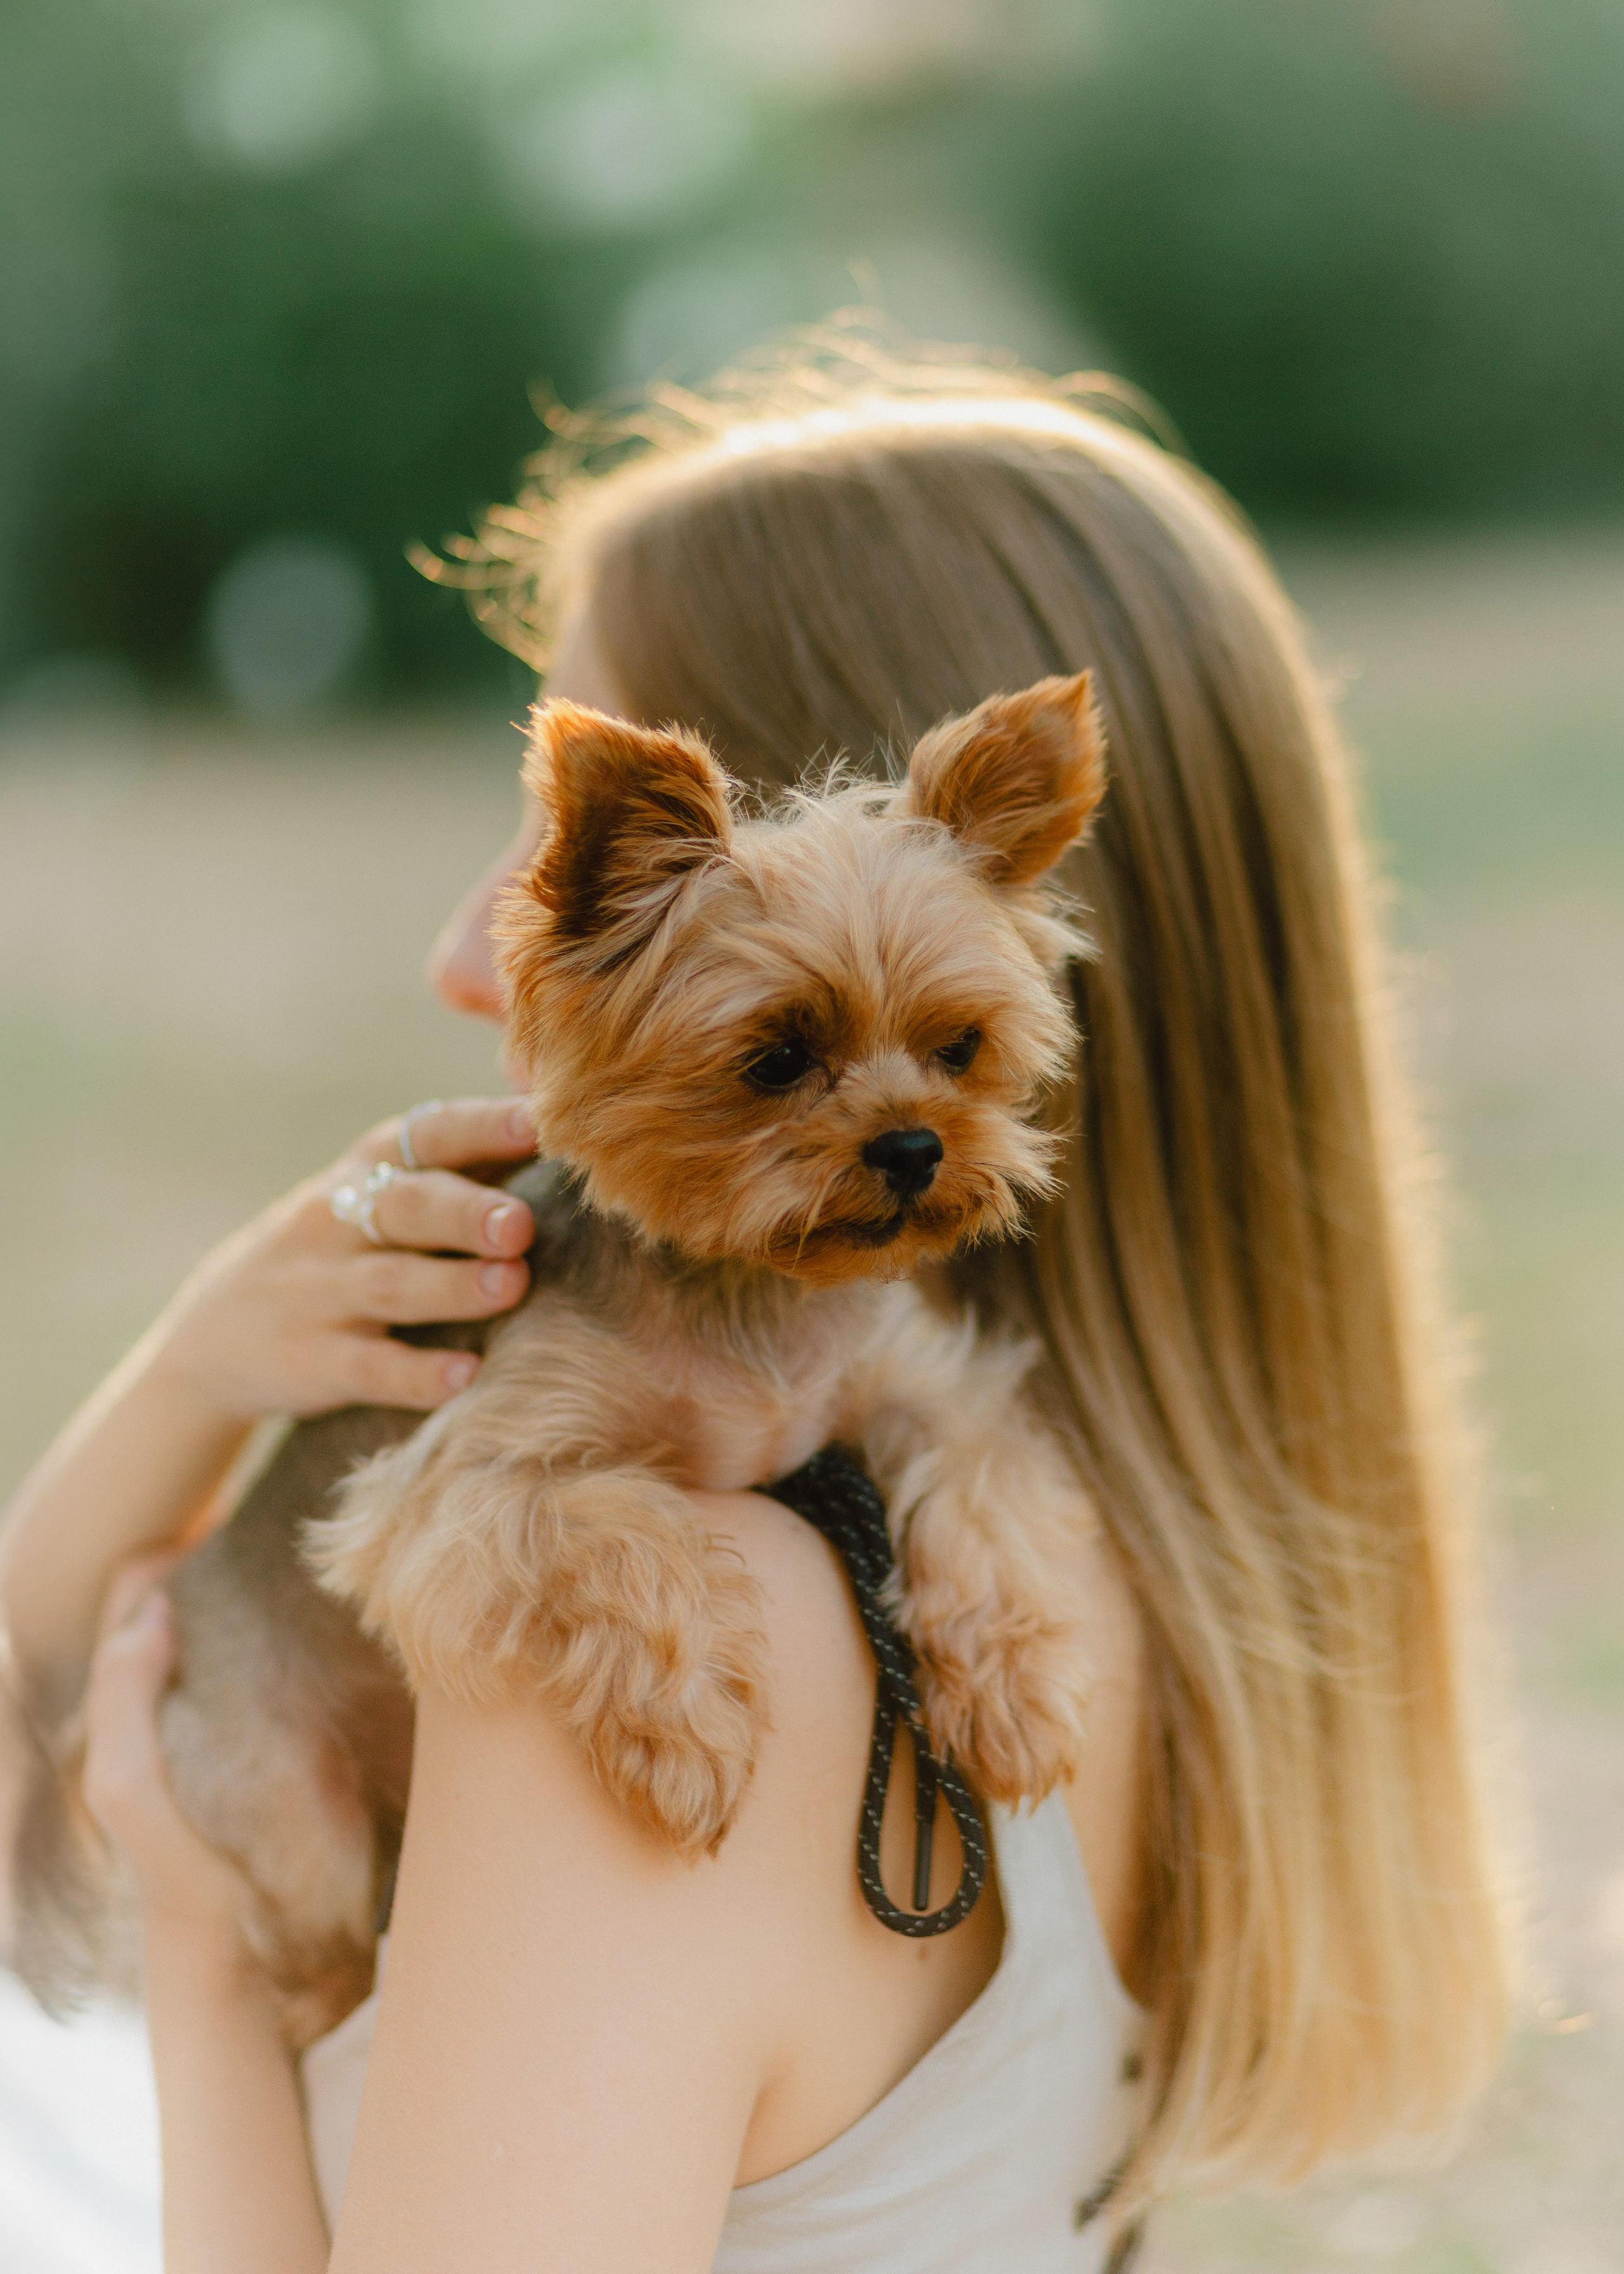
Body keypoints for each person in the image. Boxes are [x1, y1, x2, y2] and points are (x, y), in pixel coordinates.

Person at [0, 332, 1510, 2273]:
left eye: (542, 860)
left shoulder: (660, 1648)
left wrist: (208, 1965)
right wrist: (201, 1369)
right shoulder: (1128, 1593)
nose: (464, 950)